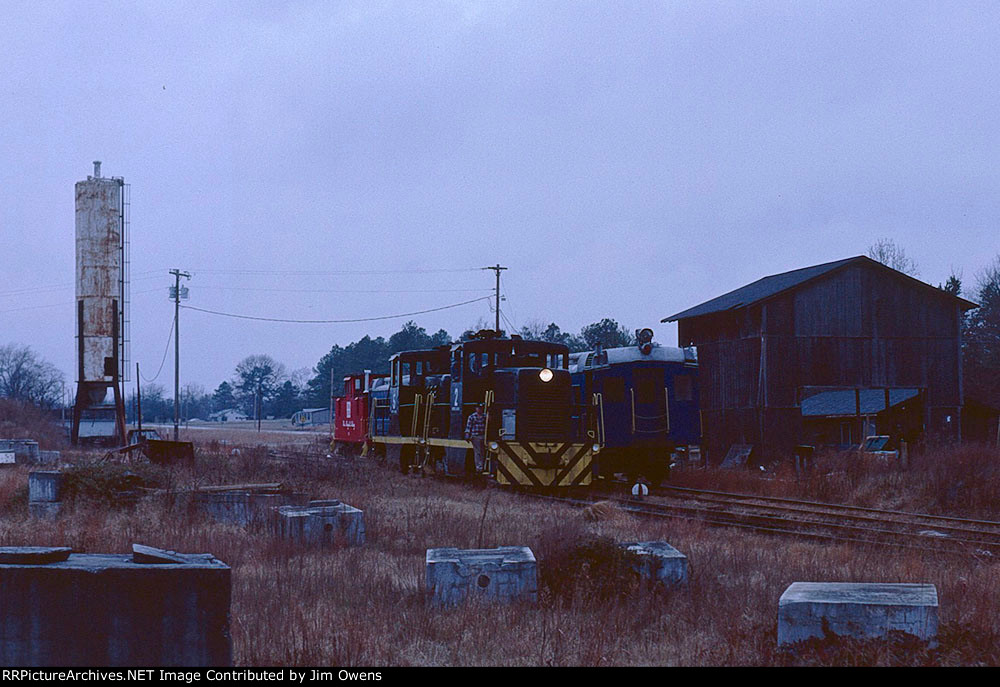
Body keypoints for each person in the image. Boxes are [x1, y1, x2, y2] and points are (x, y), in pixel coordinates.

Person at [465, 404, 487, 473]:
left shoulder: (485, 416)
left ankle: (482, 466)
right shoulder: (472, 417)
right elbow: (468, 426)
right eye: (478, 408)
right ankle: (479, 468)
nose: (479, 409)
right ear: (476, 408)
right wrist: (467, 435)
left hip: (483, 436)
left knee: (482, 452)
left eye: (481, 408)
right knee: (478, 452)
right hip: (475, 436)